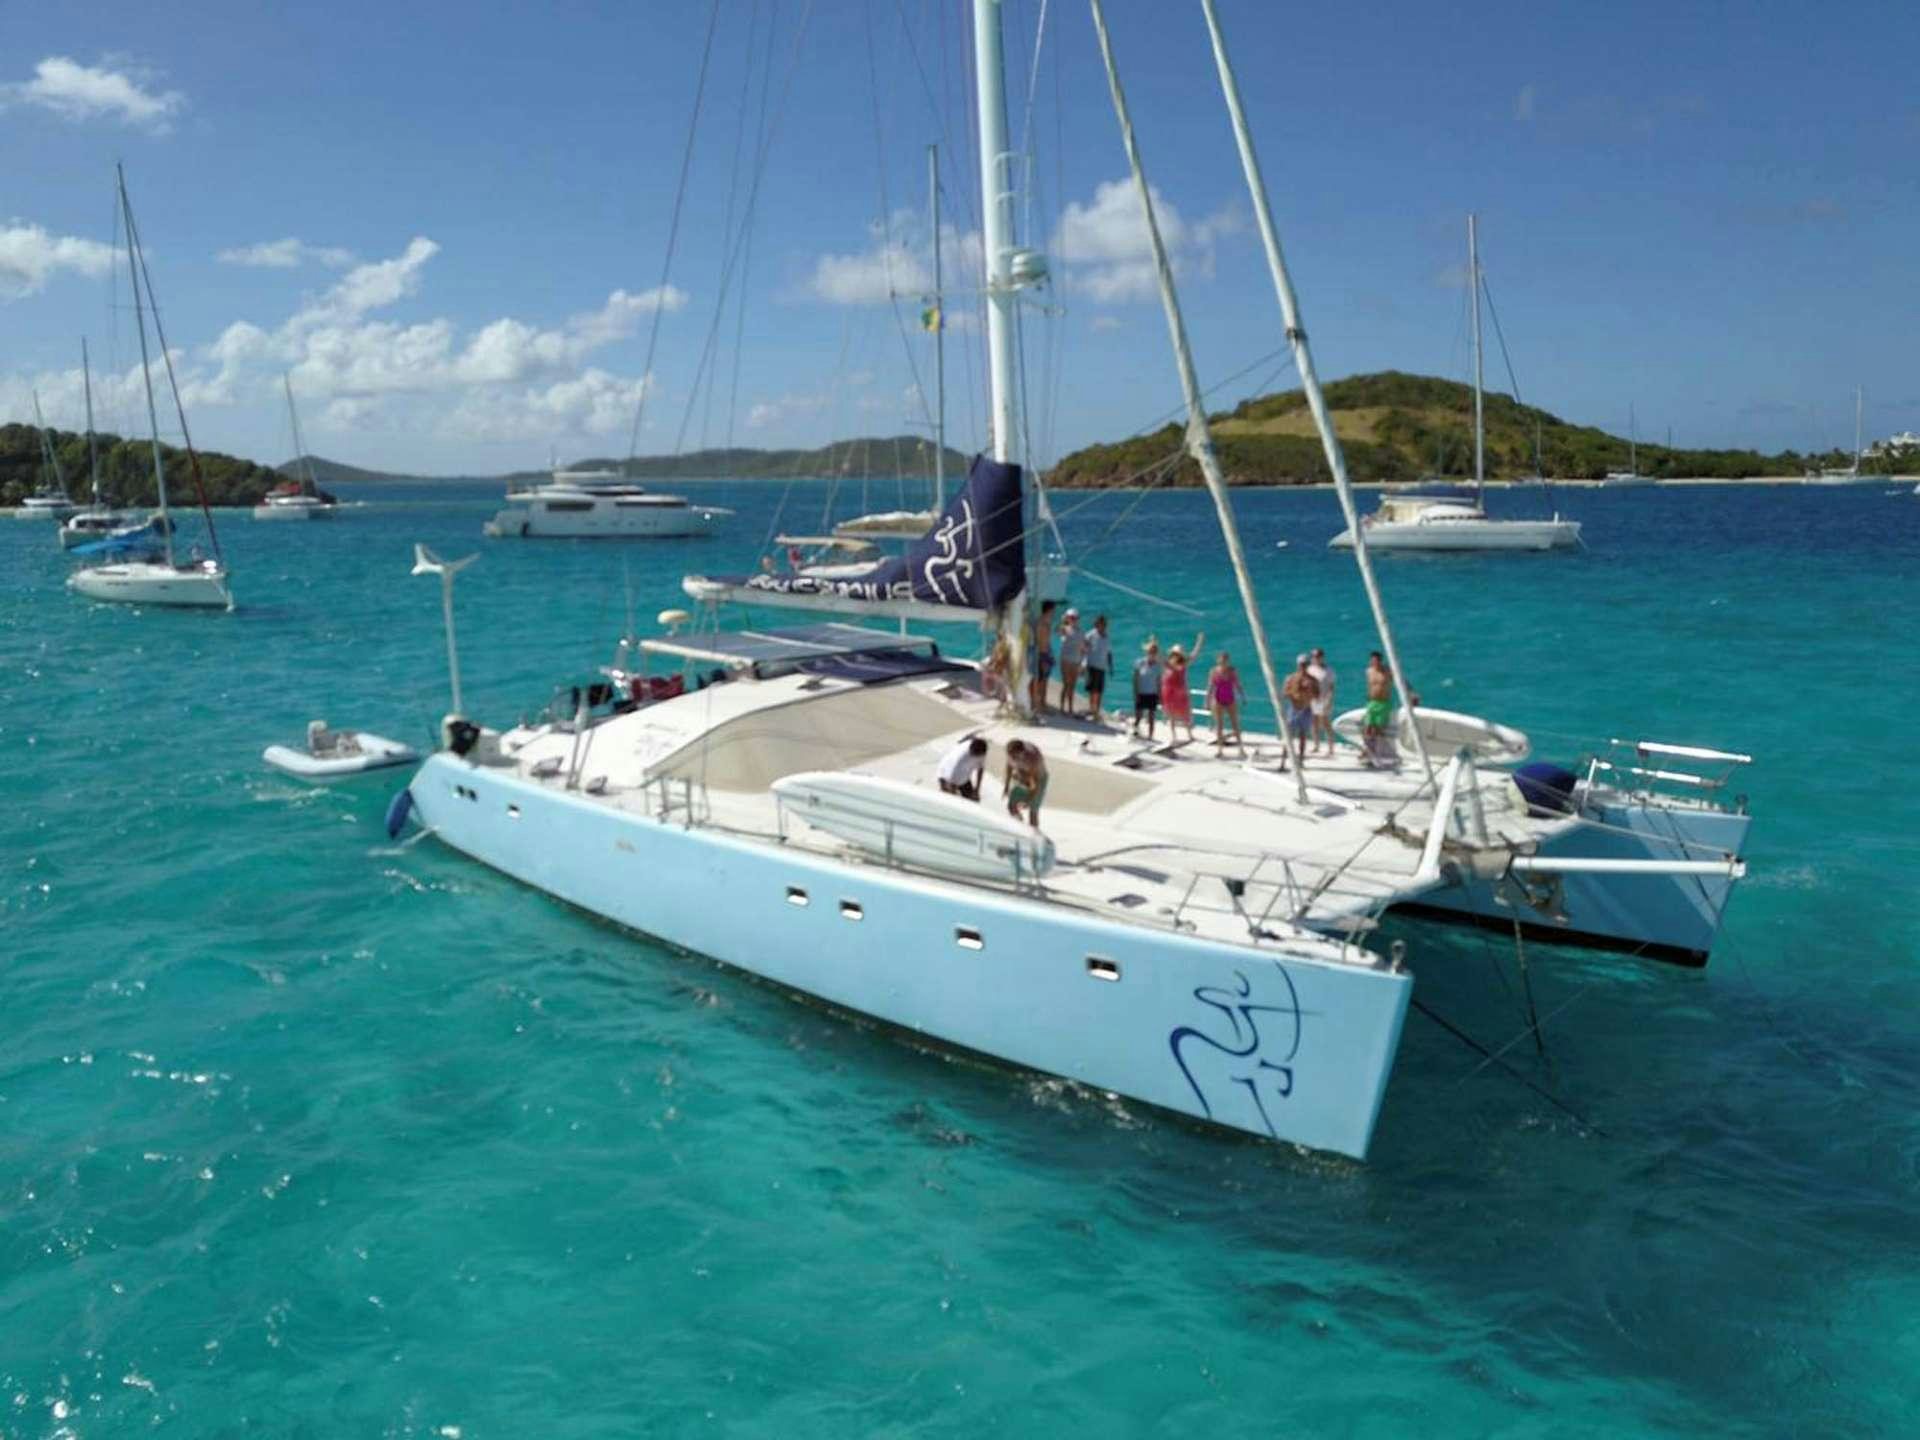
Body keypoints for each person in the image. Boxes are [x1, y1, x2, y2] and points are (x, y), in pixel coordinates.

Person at [1160, 632, 1205, 743]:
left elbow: (1194, 654)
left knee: (1185, 713)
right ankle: (1174, 735)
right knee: (1171, 715)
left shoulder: (1183, 663)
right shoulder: (1168, 664)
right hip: (1169, 691)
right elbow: (1159, 658)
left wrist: (1199, 642)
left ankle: (1189, 734)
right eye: (1175, 654)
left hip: (1180, 691)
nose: (1176, 656)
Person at [1282, 652, 1318, 767]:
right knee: (1289, 735)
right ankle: (1283, 760)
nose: (1303, 667)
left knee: (1303, 736)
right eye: (1301, 664)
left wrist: (1310, 688)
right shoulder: (1291, 677)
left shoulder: (1313, 680)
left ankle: (1301, 760)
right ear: (1298, 665)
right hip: (1294, 709)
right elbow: (1284, 693)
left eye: (1305, 664)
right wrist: (1296, 691)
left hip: (1306, 709)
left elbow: (1318, 695)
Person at [1003, 738, 1049, 828]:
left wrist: (1029, 800)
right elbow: (1009, 767)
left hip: (1038, 779)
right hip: (1023, 773)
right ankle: (1019, 825)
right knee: (1011, 805)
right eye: (1010, 756)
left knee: (1033, 811)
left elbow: (1035, 784)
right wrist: (1006, 786)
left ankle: (1035, 833)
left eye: (1014, 756)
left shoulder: (1033, 760)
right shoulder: (1011, 752)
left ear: (1022, 753)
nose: (1012, 758)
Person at [1207, 651, 1245, 756]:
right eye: (1221, 659)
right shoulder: (1213, 671)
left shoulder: (1232, 671)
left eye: (1225, 659)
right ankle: (1220, 750)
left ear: (1228, 660)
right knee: (1219, 726)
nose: (1223, 661)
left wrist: (1242, 696)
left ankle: (1241, 749)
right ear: (1218, 660)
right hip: (1217, 700)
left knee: (1235, 725)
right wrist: (1207, 701)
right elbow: (1210, 687)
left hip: (1230, 700)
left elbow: (1237, 684)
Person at [1362, 650, 1394, 767]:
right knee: (1367, 728)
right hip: (1372, 702)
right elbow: (1369, 686)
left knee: (1378, 729)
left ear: (1380, 660)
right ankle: (1369, 752)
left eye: (1376, 660)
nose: (1374, 662)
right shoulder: (1369, 671)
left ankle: (1377, 753)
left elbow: (1401, 680)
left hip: (1383, 703)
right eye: (1372, 660)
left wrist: (1410, 692)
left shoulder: (1387, 671)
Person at [1027, 599, 1057, 714]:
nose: (1054, 612)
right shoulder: (1041, 623)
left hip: (1046, 653)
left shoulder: (1047, 623)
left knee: (1044, 680)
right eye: (1053, 610)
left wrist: (1050, 654)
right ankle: (1035, 703)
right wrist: (1041, 655)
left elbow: (1046, 641)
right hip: (1040, 654)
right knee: (1037, 680)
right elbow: (1038, 641)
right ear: (1049, 610)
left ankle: (1042, 703)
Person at [937, 735, 989, 800]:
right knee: (948, 799)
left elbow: (980, 770)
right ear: (972, 752)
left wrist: (977, 790)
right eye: (978, 756)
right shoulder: (959, 760)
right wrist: (952, 795)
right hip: (945, 774)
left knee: (974, 800)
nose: (981, 758)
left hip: (964, 776)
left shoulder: (981, 751)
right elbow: (952, 785)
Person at [1083, 615, 1112, 722]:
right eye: (1101, 624)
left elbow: (1109, 653)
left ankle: (1097, 711)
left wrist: (1110, 666)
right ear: (1097, 624)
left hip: (1101, 667)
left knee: (1099, 690)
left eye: (1104, 624)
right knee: (1092, 689)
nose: (1103, 626)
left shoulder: (1107, 637)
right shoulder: (1090, 634)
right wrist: (1083, 662)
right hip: (1091, 665)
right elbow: (1084, 647)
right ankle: (1091, 710)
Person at [1131, 640, 1163, 739]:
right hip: (1141, 693)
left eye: (1154, 652)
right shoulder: (1139, 663)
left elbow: (1159, 682)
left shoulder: (1158, 666)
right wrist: (1135, 693)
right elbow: (1135, 679)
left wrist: (1160, 696)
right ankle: (1135, 732)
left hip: (1152, 694)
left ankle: (1150, 736)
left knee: (1152, 717)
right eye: (1150, 652)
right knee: (1138, 716)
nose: (1152, 654)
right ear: (1147, 652)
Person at [1307, 646, 1336, 755]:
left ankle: (1330, 747)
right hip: (1313, 699)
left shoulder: (1328, 670)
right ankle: (1316, 745)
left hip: (1324, 699)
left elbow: (1332, 687)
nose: (1316, 658)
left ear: (1322, 657)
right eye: (1314, 656)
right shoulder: (1310, 669)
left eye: (1318, 656)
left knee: (1325, 723)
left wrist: (1330, 700)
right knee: (1313, 723)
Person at [1056, 609, 1084, 717]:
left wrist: (1082, 663)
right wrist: (1063, 620)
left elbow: (1082, 648)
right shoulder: (1065, 629)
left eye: (1075, 618)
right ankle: (1062, 707)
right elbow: (1057, 630)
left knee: (1073, 685)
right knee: (1066, 684)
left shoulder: (1081, 632)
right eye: (1071, 617)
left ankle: (1070, 708)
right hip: (1066, 660)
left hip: (1076, 661)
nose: (1073, 620)